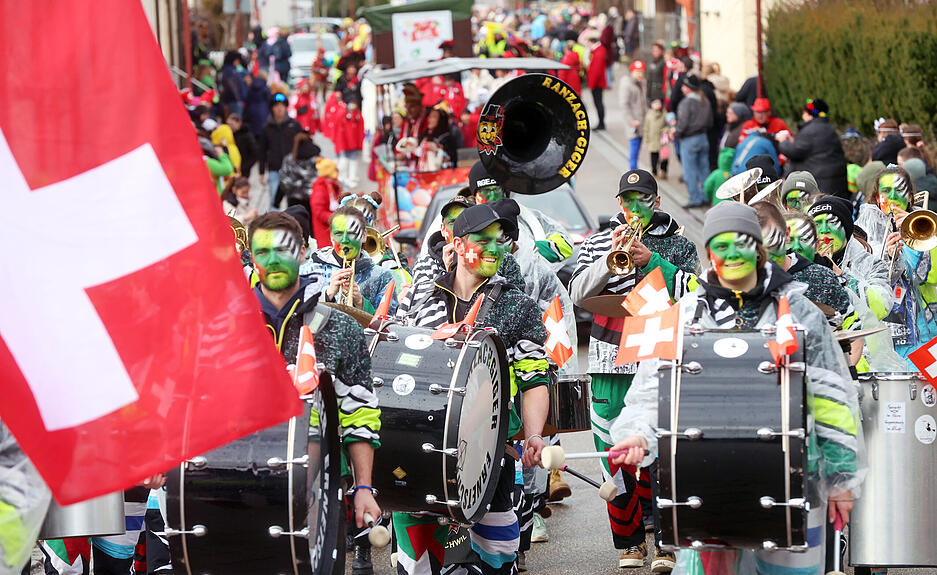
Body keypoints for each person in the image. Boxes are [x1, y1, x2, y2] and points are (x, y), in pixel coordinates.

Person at [609, 200, 865, 575]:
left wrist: (842, 479)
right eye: (720, 245)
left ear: (760, 249)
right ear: (709, 253)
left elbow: (831, 400)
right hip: (705, 487)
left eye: (741, 242)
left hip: (795, 482)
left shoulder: (799, 312)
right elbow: (652, 392)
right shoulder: (684, 314)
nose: (731, 254)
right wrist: (638, 436)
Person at [396, 204, 552, 575]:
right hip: (421, 448)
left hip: (491, 452)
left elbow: (533, 378)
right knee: (418, 562)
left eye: (499, 241)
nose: (494, 249)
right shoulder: (419, 298)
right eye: (483, 241)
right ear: (456, 241)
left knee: (497, 556)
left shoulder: (518, 306)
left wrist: (533, 436)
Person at [569, 170, 697, 571]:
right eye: (627, 199)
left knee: (660, 452)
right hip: (610, 359)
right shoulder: (598, 241)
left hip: (658, 354)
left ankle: (663, 542)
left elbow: (696, 291)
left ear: (656, 201)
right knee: (614, 454)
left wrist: (653, 260)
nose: (633, 207)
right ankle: (629, 542)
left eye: (642, 198)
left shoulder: (680, 244)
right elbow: (576, 293)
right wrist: (610, 261)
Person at [247, 211, 382, 575]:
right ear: (252, 257)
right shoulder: (227, 327)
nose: (273, 260)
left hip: (320, 494)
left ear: (304, 251)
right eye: (263, 252)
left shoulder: (339, 326)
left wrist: (364, 487)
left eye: (284, 249)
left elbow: (359, 414)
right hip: (241, 486)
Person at [753, 201, 859, 331]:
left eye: (771, 239)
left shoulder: (822, 277)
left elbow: (853, 327)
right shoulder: (745, 280)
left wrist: (843, 277)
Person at [300, 206, 398, 314]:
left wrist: (361, 302)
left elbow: (388, 323)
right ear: (331, 237)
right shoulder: (311, 271)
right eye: (338, 234)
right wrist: (328, 294)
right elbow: (300, 316)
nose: (345, 240)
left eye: (352, 233)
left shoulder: (382, 277)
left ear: (364, 235)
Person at [776, 98, 848, 198]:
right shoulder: (828, 127)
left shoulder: (810, 130)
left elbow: (794, 152)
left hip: (821, 182)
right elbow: (811, 150)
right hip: (834, 181)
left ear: (807, 113)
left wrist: (783, 141)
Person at [259, 92, 304, 210]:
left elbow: (304, 145)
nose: (279, 108)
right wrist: (261, 172)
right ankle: (275, 226)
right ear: (272, 108)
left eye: (282, 105)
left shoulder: (294, 125)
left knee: (294, 203)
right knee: (274, 201)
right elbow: (262, 151)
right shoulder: (266, 128)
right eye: (276, 105)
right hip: (275, 170)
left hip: (292, 171)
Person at [674, 74, 713, 208]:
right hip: (703, 137)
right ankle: (706, 196)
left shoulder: (686, 102)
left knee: (689, 170)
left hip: (689, 139)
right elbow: (710, 121)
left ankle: (695, 199)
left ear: (689, 88)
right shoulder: (705, 101)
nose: (682, 88)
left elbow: (683, 122)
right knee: (704, 169)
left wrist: (677, 133)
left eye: (684, 86)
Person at [620, 60, 647, 171]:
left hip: (642, 121)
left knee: (638, 148)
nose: (640, 74)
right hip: (634, 124)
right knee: (634, 149)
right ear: (632, 72)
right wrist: (631, 120)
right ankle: (633, 172)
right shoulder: (627, 84)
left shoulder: (641, 82)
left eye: (641, 72)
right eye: (637, 72)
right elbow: (624, 104)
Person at [586, 34, 609, 131]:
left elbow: (596, 70)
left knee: (598, 102)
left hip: (597, 83)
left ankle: (601, 123)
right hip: (597, 82)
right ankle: (601, 122)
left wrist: (592, 84)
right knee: (598, 102)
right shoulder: (598, 51)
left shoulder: (598, 52)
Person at [644, 98, 669, 177]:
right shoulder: (649, 115)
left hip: (662, 140)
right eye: (655, 103)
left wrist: (665, 130)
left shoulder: (664, 114)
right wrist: (646, 140)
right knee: (654, 157)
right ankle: (654, 172)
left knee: (664, 157)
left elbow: (668, 125)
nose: (657, 105)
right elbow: (646, 128)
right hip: (653, 141)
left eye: (658, 103)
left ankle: (663, 171)